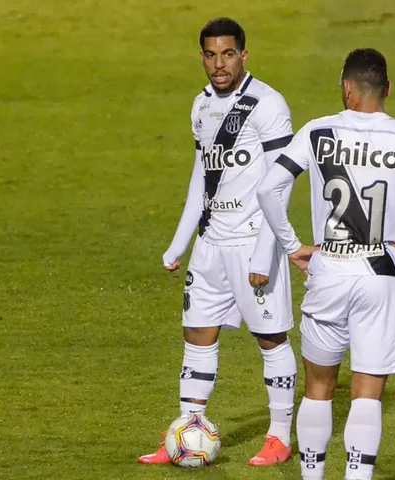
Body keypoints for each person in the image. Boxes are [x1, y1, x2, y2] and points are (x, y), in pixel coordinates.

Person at [256, 48, 395, 479]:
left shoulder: (317, 132)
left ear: (347, 88)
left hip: (329, 268)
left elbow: (267, 190)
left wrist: (293, 245)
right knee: (367, 395)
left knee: (318, 390)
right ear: (387, 89)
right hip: (381, 273)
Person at [138, 17, 297, 467]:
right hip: (210, 245)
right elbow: (201, 178)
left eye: (228, 54)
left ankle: (279, 437)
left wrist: (268, 252)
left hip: (252, 243)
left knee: (270, 338)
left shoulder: (268, 105)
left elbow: (278, 185)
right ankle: (186, 431)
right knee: (196, 336)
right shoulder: (201, 106)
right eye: (210, 54)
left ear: (244, 55)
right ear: (202, 57)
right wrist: (179, 242)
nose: (219, 64)